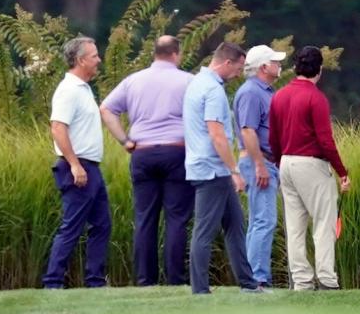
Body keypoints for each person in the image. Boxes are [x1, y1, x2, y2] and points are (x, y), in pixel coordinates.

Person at [99, 35, 194, 286]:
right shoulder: (188, 81)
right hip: (176, 151)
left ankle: (145, 280)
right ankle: (176, 279)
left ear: (155, 53)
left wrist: (124, 140)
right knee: (176, 218)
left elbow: (106, 109)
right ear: (176, 53)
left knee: (145, 218)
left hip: (142, 152)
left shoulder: (133, 81)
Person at [183, 41, 262, 295]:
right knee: (205, 231)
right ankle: (200, 290)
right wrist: (235, 171)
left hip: (209, 167)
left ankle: (249, 284)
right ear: (226, 63)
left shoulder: (196, 83)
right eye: (238, 68)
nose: (239, 74)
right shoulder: (214, 91)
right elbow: (216, 135)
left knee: (236, 225)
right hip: (213, 170)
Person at [269, 46, 351, 291]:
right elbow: (326, 141)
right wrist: (342, 170)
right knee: (323, 223)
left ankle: (302, 281)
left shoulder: (279, 96)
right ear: (320, 70)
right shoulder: (316, 98)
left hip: (286, 162)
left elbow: (273, 137)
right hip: (312, 164)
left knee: (294, 226)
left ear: (295, 68)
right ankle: (326, 278)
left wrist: (278, 160)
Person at [42, 36, 111, 289]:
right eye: (94, 56)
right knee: (72, 226)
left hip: (91, 167)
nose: (98, 60)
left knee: (102, 225)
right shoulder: (69, 90)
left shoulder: (84, 89)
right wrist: (74, 165)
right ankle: (53, 281)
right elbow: (58, 128)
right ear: (81, 60)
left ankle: (95, 281)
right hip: (78, 166)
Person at [234, 43, 286, 288]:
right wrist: (259, 165)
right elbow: (247, 130)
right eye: (275, 62)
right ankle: (257, 277)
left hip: (265, 161)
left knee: (259, 220)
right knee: (264, 220)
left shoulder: (265, 91)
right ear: (264, 67)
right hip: (259, 162)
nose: (279, 65)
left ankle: (254, 276)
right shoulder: (251, 92)